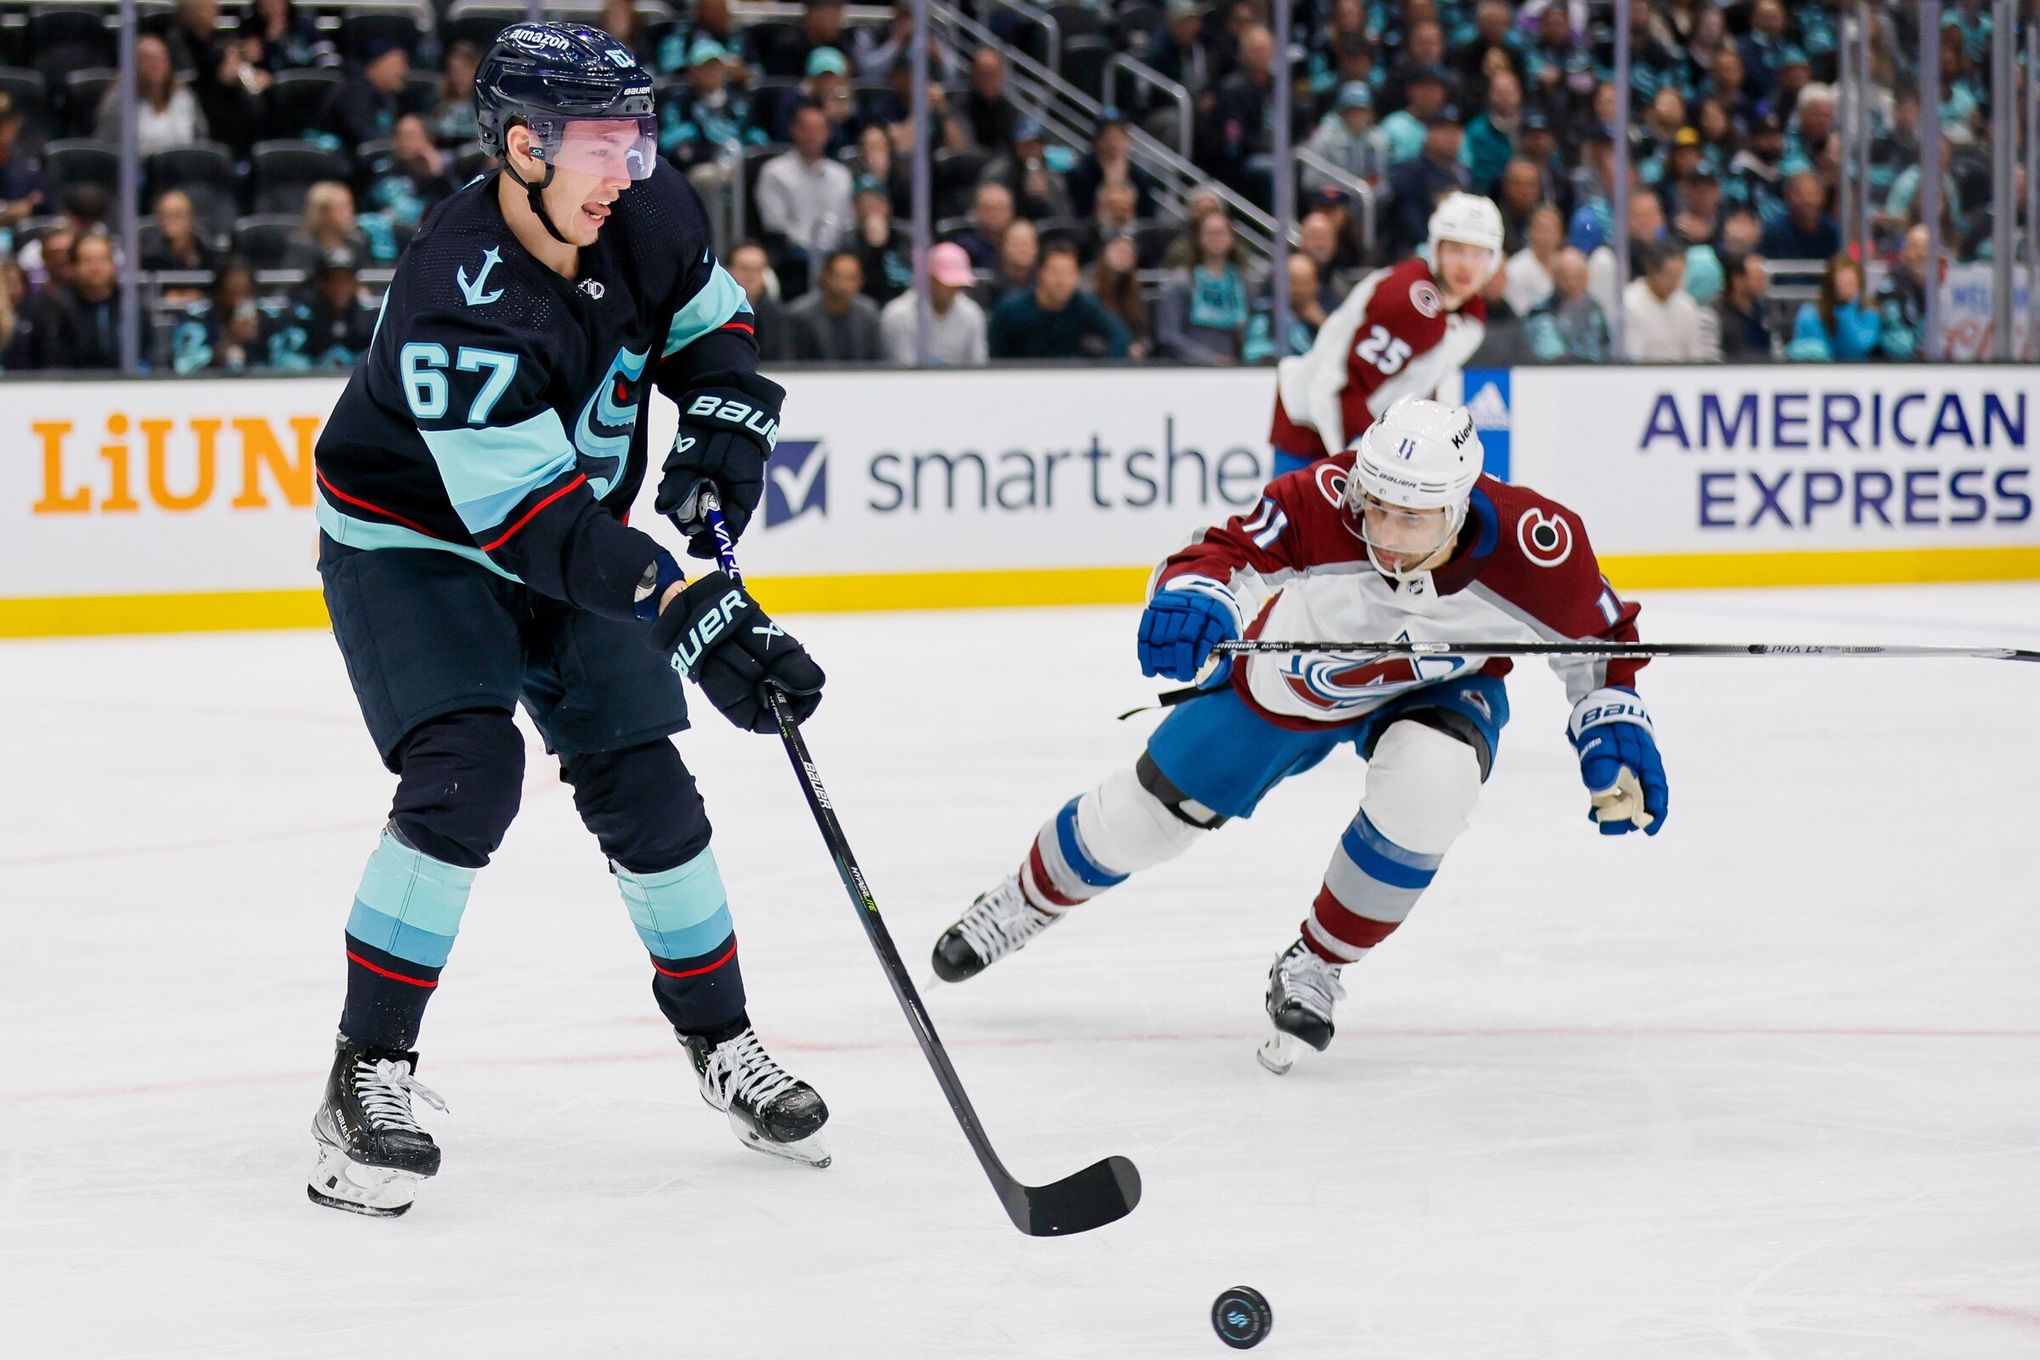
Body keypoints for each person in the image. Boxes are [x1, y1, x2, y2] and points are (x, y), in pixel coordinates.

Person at [305, 22, 831, 1218]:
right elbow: (532, 532)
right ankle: (364, 1073)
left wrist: (722, 427)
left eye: (640, 134)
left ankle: (724, 1044)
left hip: (579, 537)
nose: (632, 163)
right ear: (522, 146)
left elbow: (714, 330)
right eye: (606, 140)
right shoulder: (456, 294)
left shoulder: (644, 211)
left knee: (649, 788)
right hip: (420, 551)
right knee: (466, 769)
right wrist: (691, 611)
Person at [927, 397, 1667, 1074]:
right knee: (1142, 821)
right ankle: (1025, 899)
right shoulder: (1323, 496)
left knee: (1432, 789)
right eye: (1377, 509)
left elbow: (1599, 643)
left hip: (1439, 689)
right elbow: (1218, 553)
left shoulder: (1540, 544)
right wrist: (1195, 598)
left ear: (1461, 503)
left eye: (1413, 518)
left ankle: (1318, 963)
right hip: (1292, 683)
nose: (1387, 535)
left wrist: (1612, 719)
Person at [1265, 191, 1498, 474]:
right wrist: (1364, 458)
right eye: (1456, 250)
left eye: (1478, 254)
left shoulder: (1467, 311)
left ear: (1493, 260)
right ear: (1436, 249)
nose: (1466, 265)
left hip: (1354, 437)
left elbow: (1414, 377)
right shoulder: (1409, 303)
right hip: (1312, 435)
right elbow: (1342, 387)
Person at [987, 238, 1130, 359]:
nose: (1062, 280)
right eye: (1055, 272)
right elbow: (993, 350)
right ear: (1040, 273)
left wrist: (1105, 371)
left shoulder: (1083, 304)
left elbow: (1120, 336)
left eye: (1068, 273)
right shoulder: (1012, 309)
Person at [754, 102, 853, 266]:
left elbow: (847, 224)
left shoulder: (841, 175)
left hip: (836, 257)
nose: (812, 136)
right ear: (794, 130)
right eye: (806, 129)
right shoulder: (774, 172)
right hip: (791, 258)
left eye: (819, 129)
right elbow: (775, 226)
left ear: (828, 133)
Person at [1154, 209, 1250, 365]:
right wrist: (1209, 359)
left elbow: (1250, 330)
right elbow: (1169, 335)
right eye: (1211, 233)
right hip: (1190, 368)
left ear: (1231, 238)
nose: (1217, 238)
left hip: (1234, 368)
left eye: (1221, 233)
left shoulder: (1242, 283)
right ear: (1199, 238)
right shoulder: (1181, 282)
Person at [20, 231, 123, 370]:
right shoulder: (53, 307)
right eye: (87, 260)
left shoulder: (130, 306)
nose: (95, 267)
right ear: (73, 266)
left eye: (102, 259)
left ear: (113, 265)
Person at [95, 34, 208, 156]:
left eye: (161, 59)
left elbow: (201, 138)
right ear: (134, 65)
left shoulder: (184, 96)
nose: (156, 64)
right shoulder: (118, 101)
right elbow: (107, 147)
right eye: (148, 60)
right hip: (138, 170)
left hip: (182, 168)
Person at [269, 246, 379, 369]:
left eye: (346, 280)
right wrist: (317, 366)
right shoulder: (302, 317)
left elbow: (379, 358)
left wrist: (354, 363)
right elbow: (286, 359)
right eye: (334, 280)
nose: (340, 288)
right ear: (320, 283)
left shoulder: (366, 317)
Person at [879, 240, 987, 365]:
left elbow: (978, 365)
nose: (952, 290)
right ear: (929, 278)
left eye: (957, 284)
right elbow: (904, 370)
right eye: (946, 283)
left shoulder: (972, 314)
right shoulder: (899, 315)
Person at [783, 248, 883, 361]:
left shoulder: (868, 314)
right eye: (839, 276)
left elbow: (877, 359)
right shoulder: (800, 315)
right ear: (825, 276)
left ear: (861, 281)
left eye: (851, 278)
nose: (844, 285)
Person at [1622, 242, 1715, 361]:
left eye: (1679, 276)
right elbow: (1633, 357)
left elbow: (1694, 355)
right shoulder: (1629, 303)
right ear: (1652, 270)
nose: (1675, 283)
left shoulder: (1687, 305)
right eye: (1669, 276)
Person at [1521, 247, 1610, 363]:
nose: (1571, 283)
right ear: (1555, 277)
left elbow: (1605, 349)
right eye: (1565, 277)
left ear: (1586, 278)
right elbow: (1547, 352)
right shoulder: (1540, 313)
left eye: (1577, 277)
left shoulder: (1596, 312)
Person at [1787, 253, 1879, 362]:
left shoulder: (1868, 312)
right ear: (1829, 284)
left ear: (1859, 284)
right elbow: (1798, 350)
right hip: (1817, 374)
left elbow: (1860, 346)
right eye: (1840, 283)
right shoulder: (1810, 314)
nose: (1844, 288)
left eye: (1851, 283)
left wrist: (1847, 308)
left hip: (1857, 373)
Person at [1713, 251, 1772, 361]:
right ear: (1737, 281)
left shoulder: (1765, 311)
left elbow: (1776, 350)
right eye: (1758, 278)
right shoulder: (1716, 315)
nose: (1763, 283)